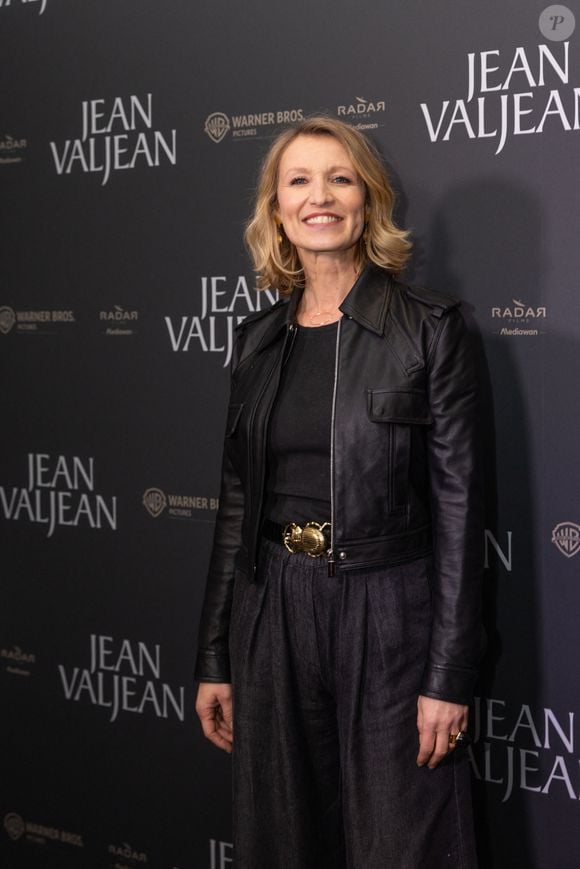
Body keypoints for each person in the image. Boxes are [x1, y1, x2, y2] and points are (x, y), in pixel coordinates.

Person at [194, 116, 484, 869]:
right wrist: (216, 654)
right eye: (299, 181)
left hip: (389, 611)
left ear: (368, 200)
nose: (318, 196)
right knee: (282, 841)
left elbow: (460, 514)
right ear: (276, 209)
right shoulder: (257, 340)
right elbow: (236, 505)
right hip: (272, 607)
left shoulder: (431, 330)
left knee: (403, 842)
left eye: (339, 178)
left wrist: (448, 674)